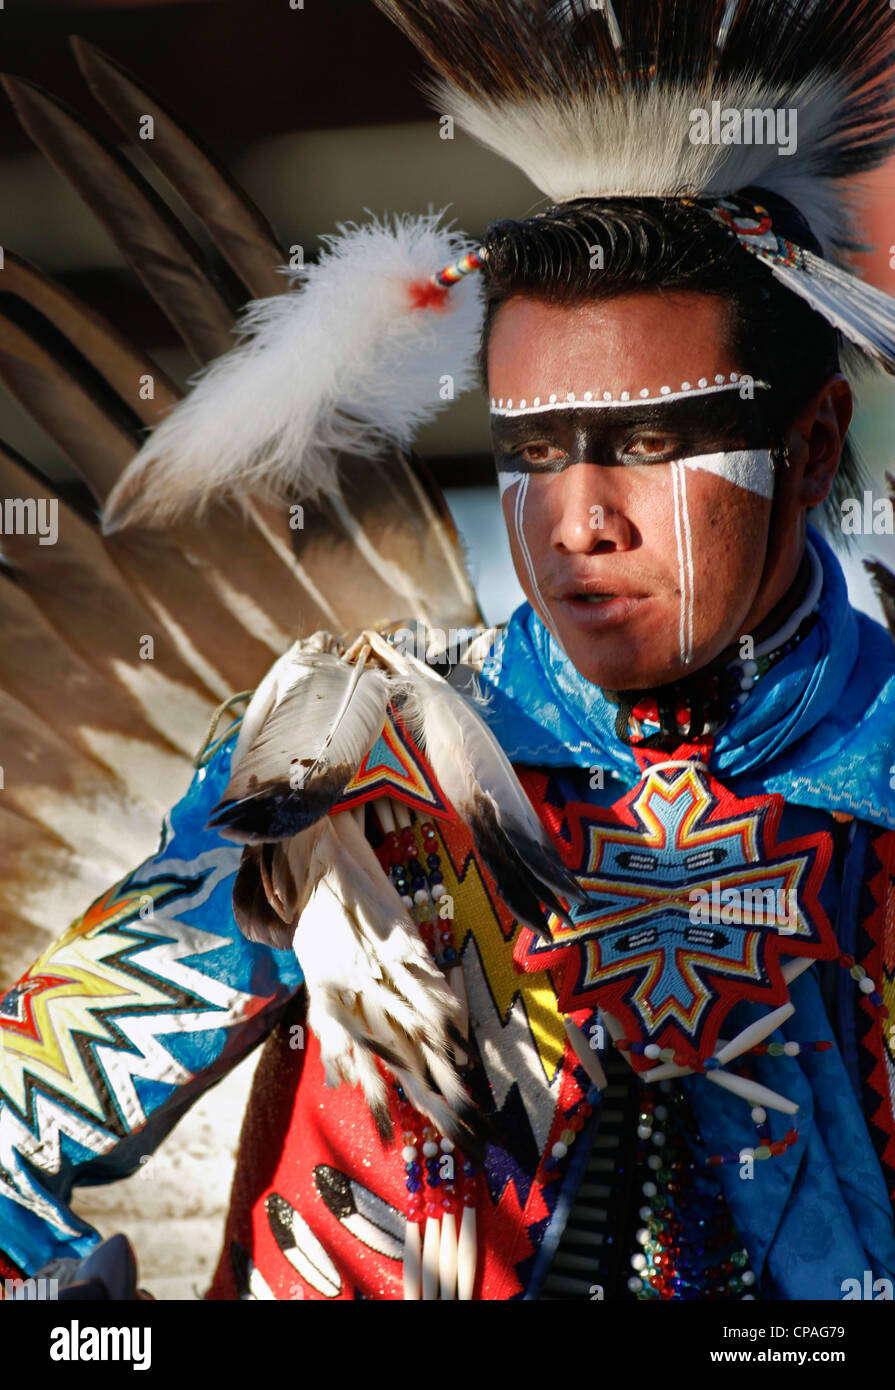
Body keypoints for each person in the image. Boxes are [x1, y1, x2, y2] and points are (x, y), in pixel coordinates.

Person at [1, 0, 894, 1302]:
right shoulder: (359, 765)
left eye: (646, 447)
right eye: (534, 448)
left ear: (812, 449)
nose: (581, 517)